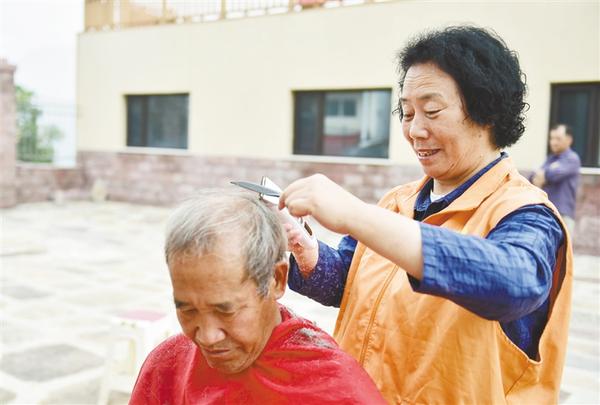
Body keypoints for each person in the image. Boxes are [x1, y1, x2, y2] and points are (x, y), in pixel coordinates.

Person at [279, 26, 573, 404]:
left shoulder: (526, 213)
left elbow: (511, 283)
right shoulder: (398, 202)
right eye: (407, 112)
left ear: (485, 112)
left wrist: (355, 214)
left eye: (431, 111)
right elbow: (346, 284)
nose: (415, 130)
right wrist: (305, 248)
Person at [129, 189, 386, 405]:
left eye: (225, 311)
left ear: (276, 279)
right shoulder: (168, 366)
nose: (207, 337)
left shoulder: (334, 387)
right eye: (188, 311)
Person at [531, 123, 581, 233]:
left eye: (558, 139)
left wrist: (543, 175)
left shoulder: (572, 158)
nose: (553, 142)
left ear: (569, 140)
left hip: (563, 215)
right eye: (552, 138)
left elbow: (553, 175)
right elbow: (532, 177)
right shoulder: (551, 159)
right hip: (548, 212)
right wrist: (544, 173)